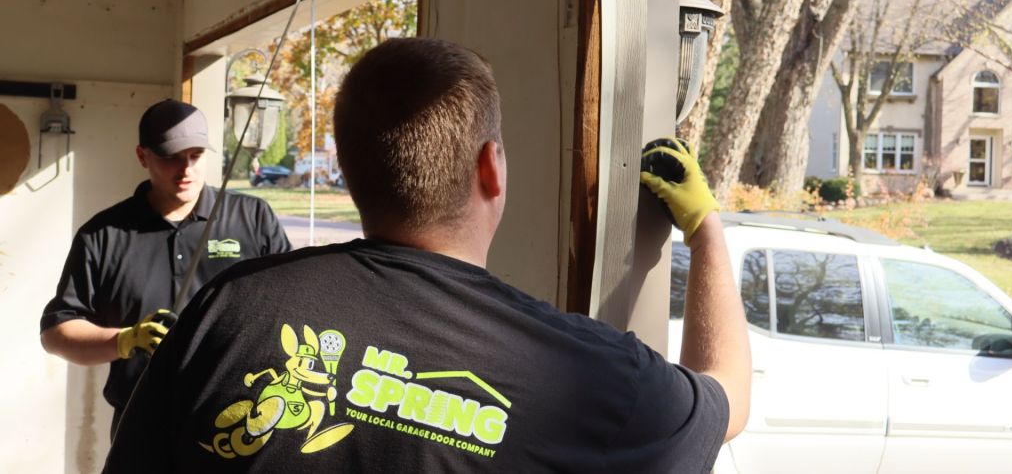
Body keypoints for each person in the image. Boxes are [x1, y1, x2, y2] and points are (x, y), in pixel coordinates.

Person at [104, 39, 750, 473]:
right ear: (491, 169)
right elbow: (727, 401)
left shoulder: (226, 311)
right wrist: (705, 229)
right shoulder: (590, 374)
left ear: (350, 170)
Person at [40, 99, 292, 436]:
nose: (185, 169)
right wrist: (124, 340)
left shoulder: (253, 218)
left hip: (236, 421)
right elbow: (56, 334)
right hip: (141, 423)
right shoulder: (103, 234)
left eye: (195, 155)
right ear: (142, 156)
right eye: (170, 157)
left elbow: (291, 309)